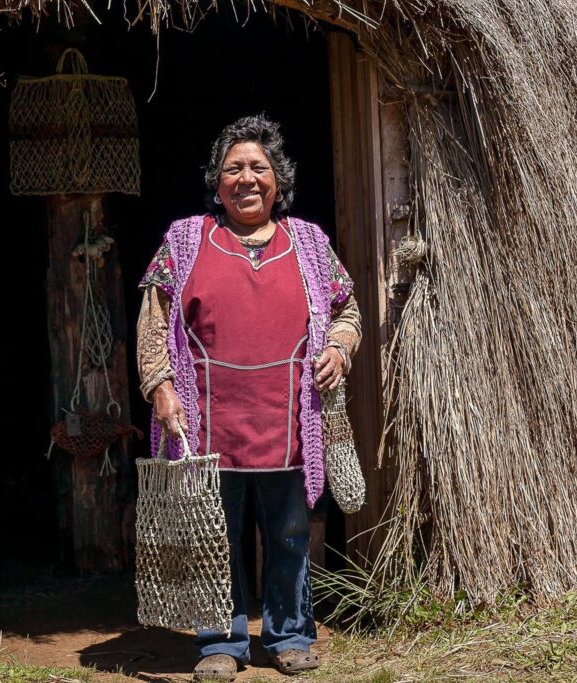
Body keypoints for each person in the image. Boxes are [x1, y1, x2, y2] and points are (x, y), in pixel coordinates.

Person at [136, 114, 361, 680]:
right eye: (233, 168)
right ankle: (221, 644)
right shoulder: (186, 239)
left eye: (258, 168)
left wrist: (340, 349)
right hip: (206, 423)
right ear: (217, 182)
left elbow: (347, 311)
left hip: (290, 420)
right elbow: (152, 321)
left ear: (278, 181)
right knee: (216, 537)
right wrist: (160, 386)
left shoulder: (308, 242)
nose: (246, 178)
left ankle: (287, 635)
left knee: (288, 534)